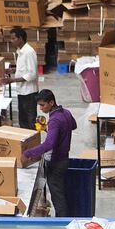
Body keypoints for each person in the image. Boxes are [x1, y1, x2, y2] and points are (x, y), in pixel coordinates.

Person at [22, 89, 77, 217]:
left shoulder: (54, 120)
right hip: (64, 158)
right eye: (39, 105)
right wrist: (48, 128)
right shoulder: (66, 113)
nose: (41, 109)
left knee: (57, 197)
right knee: (60, 193)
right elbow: (72, 125)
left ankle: (61, 224)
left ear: (51, 102)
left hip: (56, 162)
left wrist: (28, 153)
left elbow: (49, 144)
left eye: (43, 105)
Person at [1, 27, 39, 130]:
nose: (11, 41)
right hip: (22, 92)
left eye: (14, 38)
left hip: (29, 93)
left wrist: (12, 80)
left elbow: (32, 74)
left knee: (30, 121)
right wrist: (13, 70)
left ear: (20, 38)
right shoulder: (20, 51)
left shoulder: (29, 52)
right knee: (23, 121)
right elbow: (24, 69)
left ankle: (33, 143)